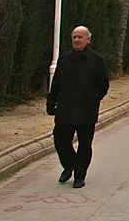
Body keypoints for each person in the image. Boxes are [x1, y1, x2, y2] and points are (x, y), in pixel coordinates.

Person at [46, 26, 109, 189]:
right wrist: (51, 101)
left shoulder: (96, 60)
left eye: (80, 37)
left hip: (86, 110)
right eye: (74, 37)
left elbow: (103, 85)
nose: (77, 40)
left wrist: (93, 98)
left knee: (84, 144)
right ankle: (70, 165)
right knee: (60, 140)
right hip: (65, 108)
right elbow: (56, 82)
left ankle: (80, 175)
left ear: (88, 39)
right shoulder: (64, 59)